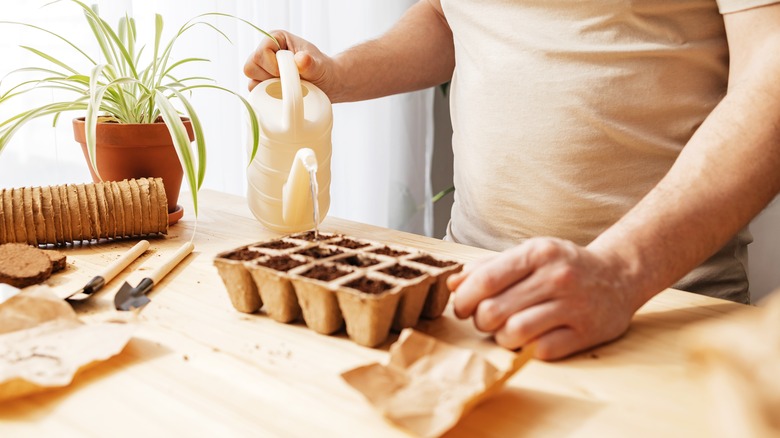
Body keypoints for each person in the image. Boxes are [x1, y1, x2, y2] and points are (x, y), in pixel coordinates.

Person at [244, 0, 780, 360]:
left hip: (662, 305)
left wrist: (620, 273)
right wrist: (339, 74)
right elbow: (450, 16)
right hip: (468, 291)